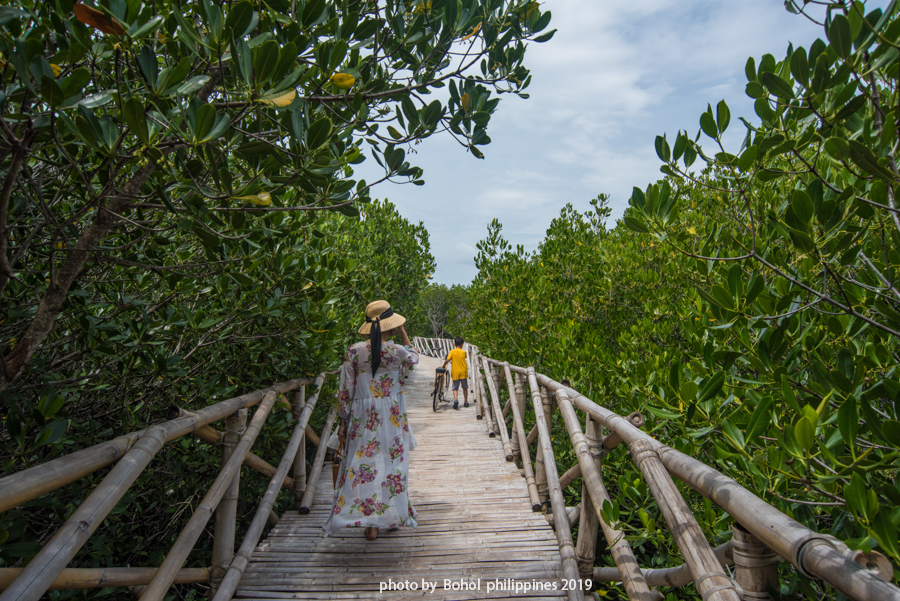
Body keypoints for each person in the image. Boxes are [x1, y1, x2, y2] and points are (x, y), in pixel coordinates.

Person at [322, 300, 419, 541]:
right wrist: (402, 331)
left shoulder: (354, 351)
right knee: (392, 463)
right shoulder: (397, 351)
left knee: (362, 463)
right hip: (392, 413)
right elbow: (415, 359)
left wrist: (342, 422)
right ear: (390, 325)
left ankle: (370, 524)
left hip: (362, 414)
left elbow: (346, 390)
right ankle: (391, 514)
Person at [442, 336, 468, 410]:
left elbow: (447, 360)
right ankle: (466, 402)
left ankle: (456, 400)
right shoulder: (464, 352)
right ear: (462, 344)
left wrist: (444, 365)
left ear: (454, 344)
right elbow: (464, 358)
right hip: (463, 372)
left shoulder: (452, 351)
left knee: (455, 388)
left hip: (455, 372)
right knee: (465, 388)